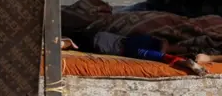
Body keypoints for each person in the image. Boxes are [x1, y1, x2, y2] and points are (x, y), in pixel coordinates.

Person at [63, 30, 207, 76]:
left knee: (158, 56)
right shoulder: (159, 41)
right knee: (159, 56)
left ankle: (65, 41)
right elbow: (162, 52)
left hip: (108, 43)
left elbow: (162, 53)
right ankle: (65, 42)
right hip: (106, 43)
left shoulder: (158, 42)